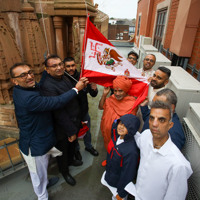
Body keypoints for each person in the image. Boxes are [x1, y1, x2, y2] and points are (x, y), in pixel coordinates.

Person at [10, 63, 87, 200]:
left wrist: (50, 68)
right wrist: (76, 89)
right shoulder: (28, 99)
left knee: (43, 168)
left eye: (30, 72)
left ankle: (45, 183)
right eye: (23, 75)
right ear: (14, 81)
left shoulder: (26, 88)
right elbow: (56, 102)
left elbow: (41, 82)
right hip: (34, 146)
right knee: (37, 175)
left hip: (43, 139)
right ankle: (42, 196)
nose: (29, 76)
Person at [126, 101, 193, 200]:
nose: (154, 124)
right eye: (152, 118)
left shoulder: (178, 165)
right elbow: (139, 140)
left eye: (161, 120)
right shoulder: (146, 135)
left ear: (170, 125)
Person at [41, 55, 83, 186]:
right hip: (63, 127)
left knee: (72, 147)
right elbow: (58, 112)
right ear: (47, 69)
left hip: (74, 120)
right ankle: (64, 171)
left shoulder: (64, 77)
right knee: (63, 151)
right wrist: (70, 130)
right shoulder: (47, 86)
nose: (59, 67)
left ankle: (71, 161)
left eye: (60, 64)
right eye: (54, 66)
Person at [63, 57, 99, 157]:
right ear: (64, 67)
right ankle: (76, 150)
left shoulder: (82, 76)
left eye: (73, 65)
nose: (71, 68)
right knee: (74, 132)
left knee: (87, 131)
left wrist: (94, 87)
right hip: (71, 114)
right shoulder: (63, 79)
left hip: (83, 112)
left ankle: (89, 146)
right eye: (68, 66)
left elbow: (93, 94)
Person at [101, 114, 140, 200]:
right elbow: (114, 123)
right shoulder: (116, 136)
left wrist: (121, 193)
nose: (121, 127)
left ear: (131, 130)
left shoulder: (131, 152)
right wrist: (118, 120)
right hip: (110, 176)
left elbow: (127, 174)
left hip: (118, 185)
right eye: (120, 123)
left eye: (125, 126)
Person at [99, 76, 137, 150]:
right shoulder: (111, 99)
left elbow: (129, 124)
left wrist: (114, 121)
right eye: (115, 91)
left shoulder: (132, 103)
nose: (117, 94)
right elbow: (100, 107)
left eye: (120, 91)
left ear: (126, 91)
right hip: (107, 135)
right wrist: (104, 95)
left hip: (121, 138)